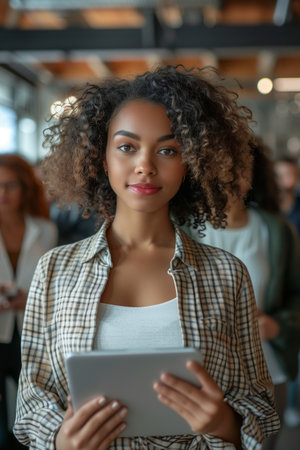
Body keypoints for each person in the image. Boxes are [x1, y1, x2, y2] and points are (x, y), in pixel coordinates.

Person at [14, 65, 279, 450]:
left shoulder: (225, 273)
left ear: (191, 163)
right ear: (101, 158)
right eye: (127, 146)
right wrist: (59, 440)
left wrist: (224, 421)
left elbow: (259, 401)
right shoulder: (56, 269)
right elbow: (31, 395)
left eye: (168, 150)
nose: (145, 165)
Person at [183, 139, 300, 449]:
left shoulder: (275, 231)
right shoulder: (182, 229)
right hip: (200, 374)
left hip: (267, 371)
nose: (229, 176)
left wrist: (278, 324)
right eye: (218, 166)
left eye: (240, 168)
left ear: (252, 174)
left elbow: (296, 294)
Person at [0, 154, 58, 450]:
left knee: (30, 402)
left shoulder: (45, 230)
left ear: (24, 189)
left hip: (31, 330)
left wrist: (30, 298)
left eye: (10, 185)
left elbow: (52, 285)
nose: (3, 193)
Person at [274, 156, 300, 428]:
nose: (288, 180)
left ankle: (291, 404)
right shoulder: (269, 215)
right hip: (281, 284)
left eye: (291, 175)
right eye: (282, 175)